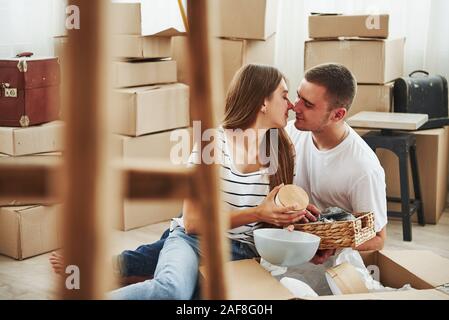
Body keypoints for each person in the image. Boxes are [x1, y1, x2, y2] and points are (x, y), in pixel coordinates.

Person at [74, 64, 317, 299]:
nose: (292, 105)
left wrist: (293, 215)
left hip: (244, 252)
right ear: (263, 102)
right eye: (284, 96)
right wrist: (258, 213)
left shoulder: (284, 150)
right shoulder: (212, 143)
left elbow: (272, 217)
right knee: (172, 291)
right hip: (193, 241)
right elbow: (191, 222)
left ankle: (137, 275)